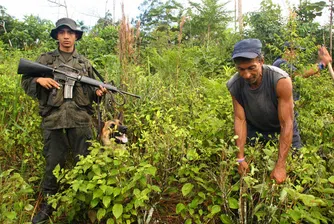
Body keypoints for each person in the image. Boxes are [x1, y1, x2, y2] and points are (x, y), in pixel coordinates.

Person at [21, 18, 107, 223]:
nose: (66, 36)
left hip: (80, 120)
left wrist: (99, 92)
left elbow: (92, 95)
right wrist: (38, 80)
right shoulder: (45, 60)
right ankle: (49, 205)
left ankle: (85, 205)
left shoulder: (84, 63)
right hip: (54, 119)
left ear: (76, 36)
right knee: (53, 164)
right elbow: (25, 82)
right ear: (57, 35)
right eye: (62, 32)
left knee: (85, 163)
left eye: (70, 33)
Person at [226, 38, 302, 184]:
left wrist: (280, 164)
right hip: (256, 131)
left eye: (251, 68)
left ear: (261, 61)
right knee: (253, 176)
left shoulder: (280, 80)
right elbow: (240, 119)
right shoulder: (235, 84)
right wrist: (240, 157)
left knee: (296, 175)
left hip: (283, 130)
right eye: (241, 69)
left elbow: (287, 123)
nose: (246, 75)